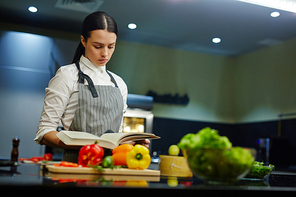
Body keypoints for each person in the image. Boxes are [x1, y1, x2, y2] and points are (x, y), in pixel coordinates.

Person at [35, 11, 149, 162]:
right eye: (98, 46)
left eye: (111, 46)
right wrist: (81, 144)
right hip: (76, 167)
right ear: (83, 41)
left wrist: (130, 144)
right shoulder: (67, 75)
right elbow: (44, 132)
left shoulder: (119, 84)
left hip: (111, 168)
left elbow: (117, 135)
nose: (105, 54)